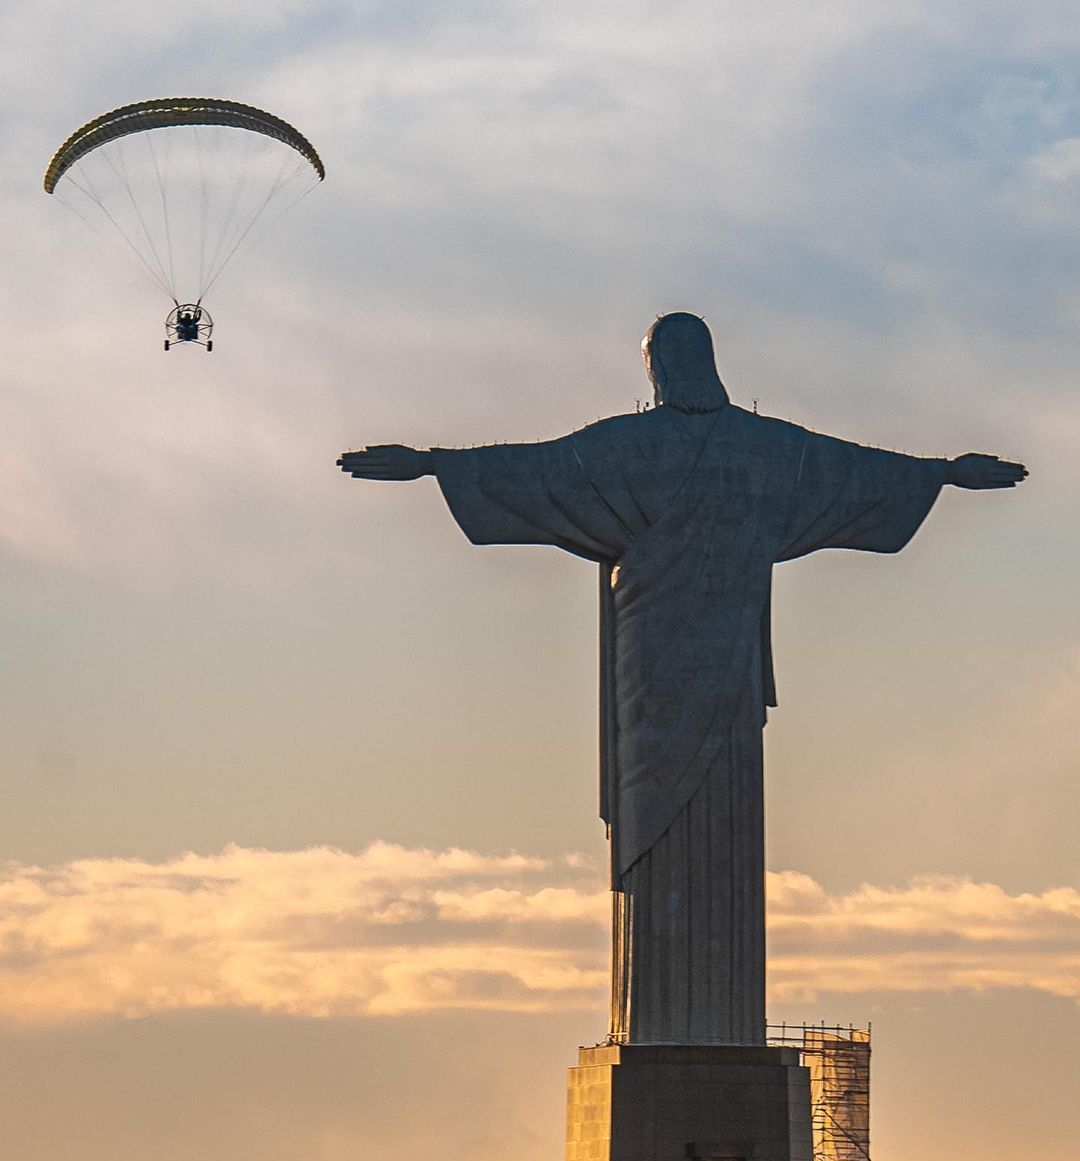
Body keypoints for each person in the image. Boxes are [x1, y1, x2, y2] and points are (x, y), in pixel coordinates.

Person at [338, 313, 1027, 1045]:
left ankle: (692, 1026)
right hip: (684, 669)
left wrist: (436, 463)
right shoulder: (763, 451)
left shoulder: (635, 449)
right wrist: (943, 473)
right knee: (660, 809)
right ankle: (677, 1021)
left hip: (674, 666)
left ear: (659, 370)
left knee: (695, 804)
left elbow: (536, 470)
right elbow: (854, 471)